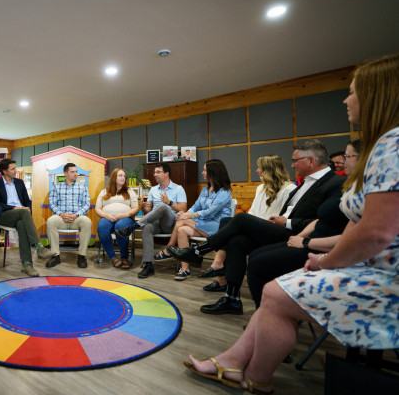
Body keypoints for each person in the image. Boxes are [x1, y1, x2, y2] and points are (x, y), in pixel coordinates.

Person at [184, 54, 399, 394]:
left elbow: (376, 231)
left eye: (352, 92)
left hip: (383, 277)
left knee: (261, 266)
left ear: (377, 96)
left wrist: (322, 258)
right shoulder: (386, 146)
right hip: (349, 256)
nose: (345, 99)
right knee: (243, 242)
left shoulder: (391, 145)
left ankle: (255, 375)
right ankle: (236, 358)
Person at [168, 139, 345, 315]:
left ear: (311, 161)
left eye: (295, 161)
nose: (292, 165)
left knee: (240, 219)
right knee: (237, 240)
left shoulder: (333, 184)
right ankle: (232, 298)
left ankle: (199, 251)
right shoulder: (304, 183)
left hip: (296, 234)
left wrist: (286, 222)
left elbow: (321, 222)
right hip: (279, 228)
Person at [246, 139, 361, 307]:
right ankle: (240, 299)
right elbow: (320, 221)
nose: (342, 162)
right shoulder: (343, 186)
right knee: (248, 248)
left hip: (322, 246)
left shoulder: (340, 185)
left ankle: (271, 313)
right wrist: (300, 237)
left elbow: (351, 238)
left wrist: (305, 241)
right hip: (307, 237)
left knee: (256, 259)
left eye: (347, 156)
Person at [201, 155, 296, 293]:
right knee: (233, 237)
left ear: (269, 170)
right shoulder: (261, 188)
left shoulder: (289, 189)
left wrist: (252, 224)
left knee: (239, 218)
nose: (257, 171)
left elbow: (286, 218)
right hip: (257, 229)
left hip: (275, 232)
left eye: (260, 168)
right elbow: (252, 213)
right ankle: (231, 293)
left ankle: (202, 252)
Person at [156, 160, 232, 281]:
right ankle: (185, 269)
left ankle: (168, 249)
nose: (202, 172)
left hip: (218, 226)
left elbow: (211, 211)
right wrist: (185, 213)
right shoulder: (205, 189)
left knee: (181, 222)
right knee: (181, 230)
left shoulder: (224, 191)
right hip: (203, 223)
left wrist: (188, 216)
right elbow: (196, 206)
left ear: (214, 172)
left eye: (205, 170)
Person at [115, 162, 187, 278]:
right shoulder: (153, 190)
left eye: (158, 172)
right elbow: (149, 212)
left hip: (171, 224)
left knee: (163, 207)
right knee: (147, 227)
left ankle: (133, 227)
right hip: (156, 224)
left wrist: (169, 203)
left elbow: (183, 208)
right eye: (154, 172)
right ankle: (149, 265)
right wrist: (144, 208)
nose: (155, 174)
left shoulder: (178, 189)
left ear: (166, 174)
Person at [0, 158, 52, 277]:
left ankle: (27, 264)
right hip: (4, 214)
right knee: (23, 213)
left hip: (21, 215)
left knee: (22, 224)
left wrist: (28, 207)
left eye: (15, 168)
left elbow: (27, 201)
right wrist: (14, 208)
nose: (16, 171)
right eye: (13, 169)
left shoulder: (19, 183)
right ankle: (38, 246)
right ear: (4, 171)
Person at [45, 163, 93, 268]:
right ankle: (55, 256)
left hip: (77, 218)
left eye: (76, 172)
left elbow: (86, 204)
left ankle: (81, 256)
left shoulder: (82, 187)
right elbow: (52, 203)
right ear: (65, 173)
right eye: (72, 172)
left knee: (87, 221)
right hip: (61, 218)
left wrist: (76, 215)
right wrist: (61, 214)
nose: (75, 174)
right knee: (50, 221)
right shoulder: (56, 187)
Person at [95, 168, 140, 269]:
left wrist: (124, 215)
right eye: (120, 175)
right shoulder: (104, 192)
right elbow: (97, 209)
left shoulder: (130, 191)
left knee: (120, 226)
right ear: (114, 177)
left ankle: (124, 258)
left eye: (124, 176)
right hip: (107, 218)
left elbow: (136, 208)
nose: (123, 178)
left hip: (125, 218)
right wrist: (106, 216)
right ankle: (113, 257)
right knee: (102, 226)